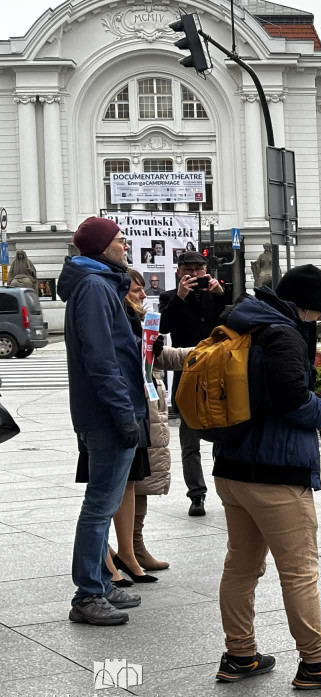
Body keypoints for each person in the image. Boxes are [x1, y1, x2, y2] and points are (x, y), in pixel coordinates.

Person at [211, 264, 321, 689]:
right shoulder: (282, 333)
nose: (318, 321)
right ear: (304, 306)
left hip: (232, 464)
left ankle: (239, 655)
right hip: (275, 472)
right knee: (299, 570)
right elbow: (290, 400)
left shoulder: (242, 319)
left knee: (241, 566)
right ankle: (317, 663)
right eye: (318, 313)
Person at [58, 216, 147, 625]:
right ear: (101, 246)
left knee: (104, 501)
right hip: (108, 412)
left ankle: (99, 583)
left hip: (111, 409)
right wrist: (122, 412)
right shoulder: (94, 287)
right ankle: (87, 594)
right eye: (119, 239)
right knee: (99, 505)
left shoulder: (99, 282)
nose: (125, 244)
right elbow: (101, 358)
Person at [126, 270, 192, 571]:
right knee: (129, 484)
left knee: (140, 483)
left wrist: (199, 354)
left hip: (148, 409)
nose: (143, 295)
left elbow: (156, 357)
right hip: (135, 410)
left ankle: (135, 546)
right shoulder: (123, 322)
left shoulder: (138, 323)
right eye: (137, 290)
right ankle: (126, 550)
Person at [159, 250, 229, 517]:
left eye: (199, 270)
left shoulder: (217, 294)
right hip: (186, 375)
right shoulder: (170, 297)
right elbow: (163, 327)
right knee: (190, 441)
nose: (195, 275)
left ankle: (227, 490)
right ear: (179, 272)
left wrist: (221, 295)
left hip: (218, 373)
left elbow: (236, 320)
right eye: (189, 270)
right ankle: (196, 495)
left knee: (224, 435)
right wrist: (180, 297)